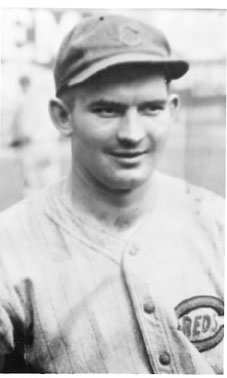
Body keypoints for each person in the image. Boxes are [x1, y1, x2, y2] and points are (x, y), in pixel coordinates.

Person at [0, 14, 224, 374]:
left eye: (150, 108)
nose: (132, 134)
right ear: (62, 117)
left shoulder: (217, 223)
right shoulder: (9, 251)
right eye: (108, 110)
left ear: (172, 111)